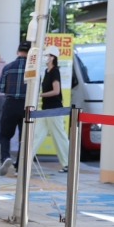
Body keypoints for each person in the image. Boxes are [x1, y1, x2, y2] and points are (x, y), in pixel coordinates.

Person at [33, 44, 68, 173]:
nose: (45, 57)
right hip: (46, 108)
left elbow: (56, 91)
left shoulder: (54, 71)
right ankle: (24, 161)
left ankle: (68, 163)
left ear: (53, 57)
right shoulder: (46, 71)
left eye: (47, 55)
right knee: (36, 135)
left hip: (54, 109)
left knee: (59, 136)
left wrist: (40, 95)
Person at [0, 41, 30, 176]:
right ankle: (20, 168)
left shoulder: (8, 67)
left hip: (10, 103)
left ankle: (5, 158)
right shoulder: (32, 70)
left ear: (17, 52)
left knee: (4, 135)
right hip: (27, 105)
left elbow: (0, 88)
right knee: (24, 137)